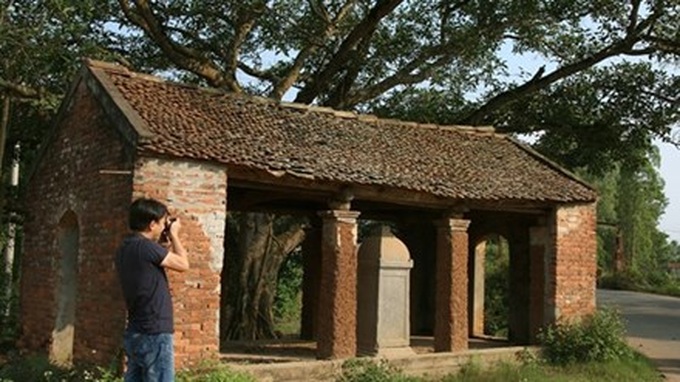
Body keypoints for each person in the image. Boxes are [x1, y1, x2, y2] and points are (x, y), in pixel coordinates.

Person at [116, 198, 189, 382]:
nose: (165, 225)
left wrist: (164, 241)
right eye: (163, 222)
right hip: (154, 331)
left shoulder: (125, 247)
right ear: (152, 224)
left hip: (136, 330)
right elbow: (183, 264)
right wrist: (175, 235)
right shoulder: (146, 247)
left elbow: (154, 259)